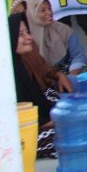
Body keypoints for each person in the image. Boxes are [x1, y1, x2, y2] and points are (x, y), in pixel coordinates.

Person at [8, 13, 60, 158]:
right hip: (20, 134)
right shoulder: (7, 76)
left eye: (28, 32)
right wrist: (61, 120)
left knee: (57, 99)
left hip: (39, 122)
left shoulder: (19, 64)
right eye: (20, 35)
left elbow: (40, 101)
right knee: (66, 135)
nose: (29, 38)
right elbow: (24, 122)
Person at [23, 0, 87, 87]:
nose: (49, 13)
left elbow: (78, 55)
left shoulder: (62, 29)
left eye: (50, 8)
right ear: (30, 13)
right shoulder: (24, 36)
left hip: (70, 71)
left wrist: (73, 73)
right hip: (44, 78)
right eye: (43, 10)